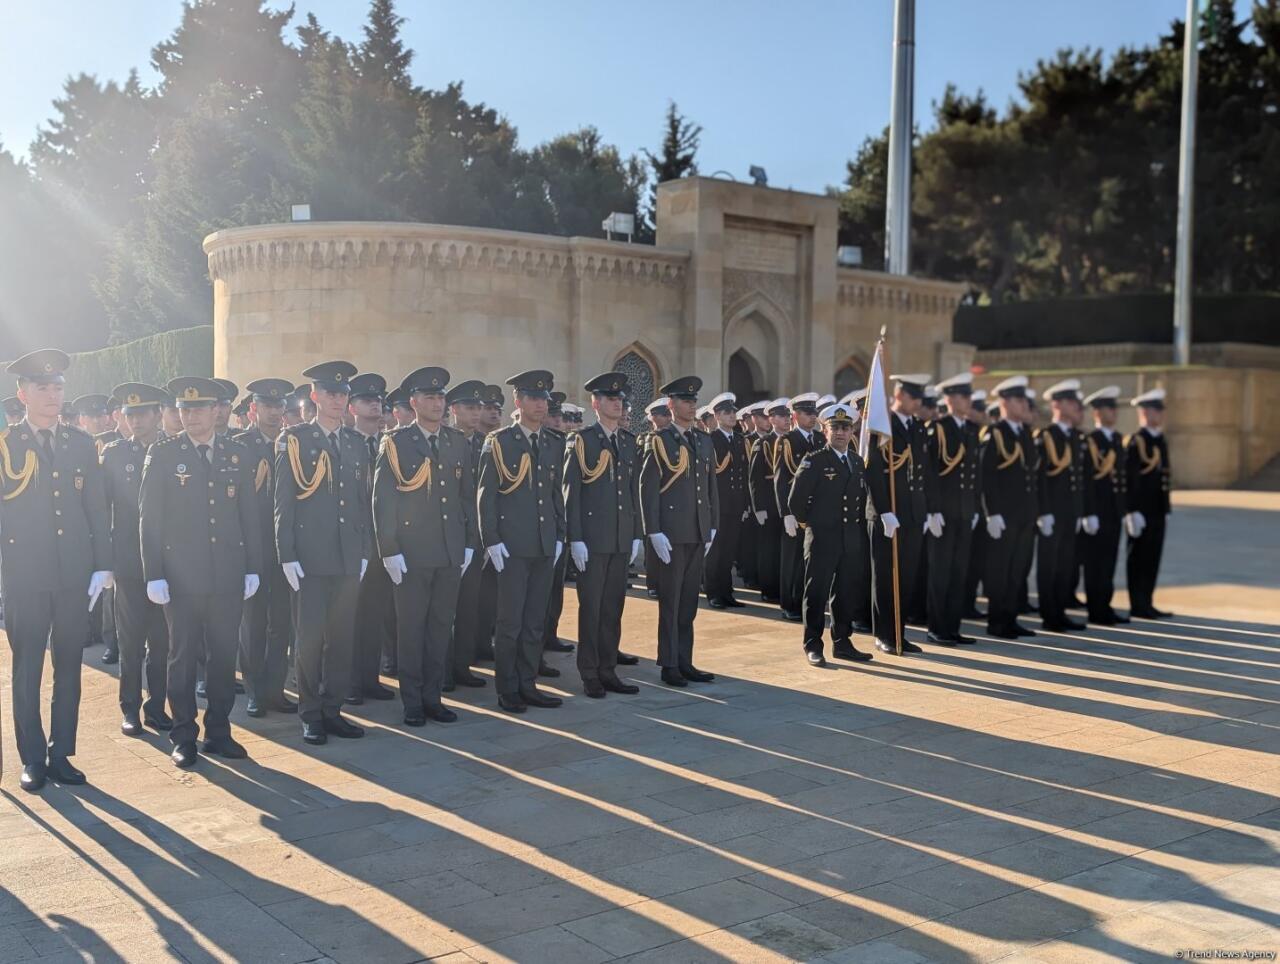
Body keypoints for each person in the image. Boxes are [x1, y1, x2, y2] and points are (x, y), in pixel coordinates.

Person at [0, 349, 112, 792]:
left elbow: (96, 509)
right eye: (43, 388)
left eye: (59, 387)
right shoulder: (6, 446)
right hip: (25, 576)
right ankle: (32, 757)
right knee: (28, 667)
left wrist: (102, 565)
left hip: (72, 576)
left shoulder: (81, 443)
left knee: (69, 666)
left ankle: (61, 752)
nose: (52, 395)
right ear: (22, 393)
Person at [140, 376, 261, 769]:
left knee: (225, 656)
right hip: (180, 577)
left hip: (226, 573)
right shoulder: (163, 454)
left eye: (198, 408)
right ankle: (184, 735)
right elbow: (150, 519)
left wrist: (253, 567)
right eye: (184, 409)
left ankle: (219, 731)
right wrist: (153, 572)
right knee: (182, 657)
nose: (190, 416)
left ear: (216, 411)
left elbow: (249, 515)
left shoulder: (235, 453)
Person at [274, 362, 372, 747]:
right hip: (310, 558)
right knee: (310, 638)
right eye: (330, 393)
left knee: (341, 638)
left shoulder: (354, 442)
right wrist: (287, 553)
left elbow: (361, 501)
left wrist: (364, 548)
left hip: (347, 555)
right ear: (314, 397)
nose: (337, 400)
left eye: (343, 393)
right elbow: (283, 501)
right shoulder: (294, 439)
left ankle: (333, 709)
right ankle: (311, 713)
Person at [374, 366, 477, 725]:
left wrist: (467, 544)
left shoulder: (456, 441)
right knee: (412, 630)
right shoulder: (397, 442)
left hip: (449, 551)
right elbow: (383, 500)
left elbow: (466, 498)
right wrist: (389, 549)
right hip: (412, 553)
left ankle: (433, 697)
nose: (437, 403)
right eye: (430, 397)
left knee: (439, 628)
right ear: (414, 402)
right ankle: (413, 702)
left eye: (440, 397)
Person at [477, 370, 566, 713]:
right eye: (533, 398)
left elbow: (556, 494)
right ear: (518, 402)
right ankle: (507, 688)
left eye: (544, 399)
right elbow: (487, 496)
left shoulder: (552, 442)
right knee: (510, 622)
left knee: (535, 621)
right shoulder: (499, 442)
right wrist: (492, 540)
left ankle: (529, 684)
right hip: (512, 547)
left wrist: (559, 534)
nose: (540, 405)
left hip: (544, 545)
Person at [563, 372, 643, 698]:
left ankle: (609, 669)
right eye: (611, 399)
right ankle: (589, 673)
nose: (617, 403)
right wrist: (575, 538)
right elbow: (572, 493)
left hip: (620, 538)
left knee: (613, 608)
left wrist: (637, 533)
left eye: (620, 399)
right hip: (592, 541)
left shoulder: (627, 441)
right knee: (592, 608)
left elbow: (632, 491)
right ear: (595, 403)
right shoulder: (582, 441)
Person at [102, 383, 172, 737]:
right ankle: (129, 708)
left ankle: (156, 707)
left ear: (158, 414)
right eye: (130, 415)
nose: (137, 421)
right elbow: (103, 510)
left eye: (143, 413)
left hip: (167, 563)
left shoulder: (173, 451)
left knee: (162, 643)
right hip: (129, 563)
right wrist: (104, 562)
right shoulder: (114, 454)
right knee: (130, 643)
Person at [639, 376, 718, 687]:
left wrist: (712, 526)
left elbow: (711, 489)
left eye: (694, 400)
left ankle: (685, 660)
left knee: (688, 604)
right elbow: (648, 490)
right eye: (686, 401)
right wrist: (653, 531)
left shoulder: (703, 440)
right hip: (671, 536)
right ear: (671, 405)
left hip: (697, 532)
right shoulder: (659, 441)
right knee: (670, 604)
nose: (692, 405)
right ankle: (669, 664)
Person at [787, 403, 873, 667]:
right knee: (816, 593)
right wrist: (814, 524)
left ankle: (843, 643)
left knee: (846, 593)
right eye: (835, 428)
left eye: (846, 428)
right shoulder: (814, 460)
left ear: (852, 431)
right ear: (825, 430)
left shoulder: (857, 461)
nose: (841, 433)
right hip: (822, 537)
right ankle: (813, 645)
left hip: (850, 538)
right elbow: (796, 502)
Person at [233, 377, 297, 718]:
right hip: (252, 546)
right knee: (253, 622)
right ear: (253, 409)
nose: (274, 412)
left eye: (278, 406)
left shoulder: (294, 443)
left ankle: (276, 689)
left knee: (282, 623)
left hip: (284, 548)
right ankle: (255, 691)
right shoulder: (240, 446)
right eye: (267, 406)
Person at [865, 374, 937, 655]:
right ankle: (883, 634)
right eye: (914, 397)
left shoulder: (917, 427)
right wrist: (884, 510)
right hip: (888, 514)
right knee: (885, 576)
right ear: (899, 395)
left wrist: (928, 510)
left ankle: (899, 633)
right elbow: (873, 472)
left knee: (906, 577)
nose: (918, 403)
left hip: (913, 513)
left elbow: (924, 473)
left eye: (920, 398)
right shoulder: (884, 427)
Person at [344, 372, 398, 706]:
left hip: (382, 544)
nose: (375, 404)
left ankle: (369, 677)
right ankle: (348, 681)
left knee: (375, 614)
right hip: (351, 543)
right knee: (348, 617)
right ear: (351, 407)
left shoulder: (390, 443)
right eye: (367, 400)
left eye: (379, 400)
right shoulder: (344, 443)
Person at [980, 375, 1039, 640]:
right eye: (1018, 400)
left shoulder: (1024, 433)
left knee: (1018, 569)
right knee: (1000, 570)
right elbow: (986, 476)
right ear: (1004, 402)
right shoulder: (994, 433)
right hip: (1003, 514)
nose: (1024, 404)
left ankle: (1012, 618)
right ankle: (997, 621)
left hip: (1025, 513)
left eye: (1024, 400)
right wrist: (991, 512)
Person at [924, 373, 981, 646]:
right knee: (941, 573)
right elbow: (931, 473)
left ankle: (953, 627)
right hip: (943, 514)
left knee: (960, 572)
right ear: (950, 399)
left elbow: (975, 472)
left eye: (969, 395)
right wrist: (932, 510)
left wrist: (976, 507)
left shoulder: (970, 429)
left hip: (964, 512)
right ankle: (937, 627)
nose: (969, 400)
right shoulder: (938, 429)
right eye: (964, 396)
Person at [1035, 379, 1094, 632]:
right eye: (1071, 402)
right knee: (1049, 565)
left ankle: (1060, 611)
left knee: (1065, 565)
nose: (1076, 407)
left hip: (1071, 512)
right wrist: (1043, 511)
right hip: (1052, 512)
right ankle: (1050, 615)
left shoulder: (1075, 437)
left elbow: (1081, 479)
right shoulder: (1046, 436)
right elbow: (1040, 479)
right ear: (1057, 404)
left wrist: (1082, 510)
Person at [1081, 386, 1129, 625]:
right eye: (1109, 408)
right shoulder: (1091, 441)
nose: (1114, 412)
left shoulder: (1118, 439)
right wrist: (1088, 512)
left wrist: (1125, 509)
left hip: (1113, 511)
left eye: (1114, 407)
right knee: (1095, 562)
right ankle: (1095, 609)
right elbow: (1087, 479)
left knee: (1109, 560)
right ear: (1097, 412)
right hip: (1097, 511)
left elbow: (1121, 477)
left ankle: (1106, 605)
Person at [773, 393, 822, 622]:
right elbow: (781, 479)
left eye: (814, 413)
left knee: (811, 560)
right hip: (795, 509)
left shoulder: (821, 439)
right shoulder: (786, 441)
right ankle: (789, 603)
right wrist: (786, 513)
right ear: (795, 415)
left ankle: (807, 602)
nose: (813, 417)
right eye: (807, 413)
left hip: (816, 509)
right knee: (791, 560)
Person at [1124, 388, 1172, 619]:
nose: (1160, 415)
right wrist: (1131, 511)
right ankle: (1138, 603)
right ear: (1144, 412)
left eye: (1160, 410)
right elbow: (1129, 479)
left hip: (1157, 510)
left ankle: (1148, 602)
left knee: (1153, 558)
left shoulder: (1160, 440)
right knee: (1139, 559)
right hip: (1140, 511)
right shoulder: (1136, 442)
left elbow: (1164, 475)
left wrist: (1165, 506)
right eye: (1155, 410)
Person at [705, 391, 748, 609]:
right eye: (727, 412)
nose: (732, 415)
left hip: (735, 504)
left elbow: (744, 474)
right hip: (717, 504)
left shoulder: (739, 440)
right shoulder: (711, 441)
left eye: (733, 411)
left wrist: (746, 504)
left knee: (729, 551)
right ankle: (713, 592)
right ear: (717, 416)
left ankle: (727, 592)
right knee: (716, 551)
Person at [540, 393, 573, 660]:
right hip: (536, 530)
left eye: (559, 416)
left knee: (555, 588)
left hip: (558, 528)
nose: (558, 421)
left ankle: (550, 634)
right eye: (554, 415)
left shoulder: (562, 443)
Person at [749, 398, 788, 605]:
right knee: (769, 549)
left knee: (785, 550)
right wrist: (759, 507)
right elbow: (755, 478)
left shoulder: (791, 440)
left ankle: (784, 587)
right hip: (770, 504)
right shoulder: (763, 443)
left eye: (788, 416)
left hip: (788, 505)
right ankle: (769, 589)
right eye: (782, 417)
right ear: (772, 419)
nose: (787, 420)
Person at [640, 396, 672, 599]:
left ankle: (665, 582)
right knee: (653, 544)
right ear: (653, 418)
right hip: (655, 498)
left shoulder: (671, 438)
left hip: (670, 503)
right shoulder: (648, 439)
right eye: (663, 415)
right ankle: (653, 582)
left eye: (668, 415)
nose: (668, 419)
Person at [962, 390, 990, 619]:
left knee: (976, 561)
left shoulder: (974, 433)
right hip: (966, 507)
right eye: (979, 409)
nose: (983, 414)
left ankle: (968, 603)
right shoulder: (965, 432)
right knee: (967, 561)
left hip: (976, 507)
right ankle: (964, 603)